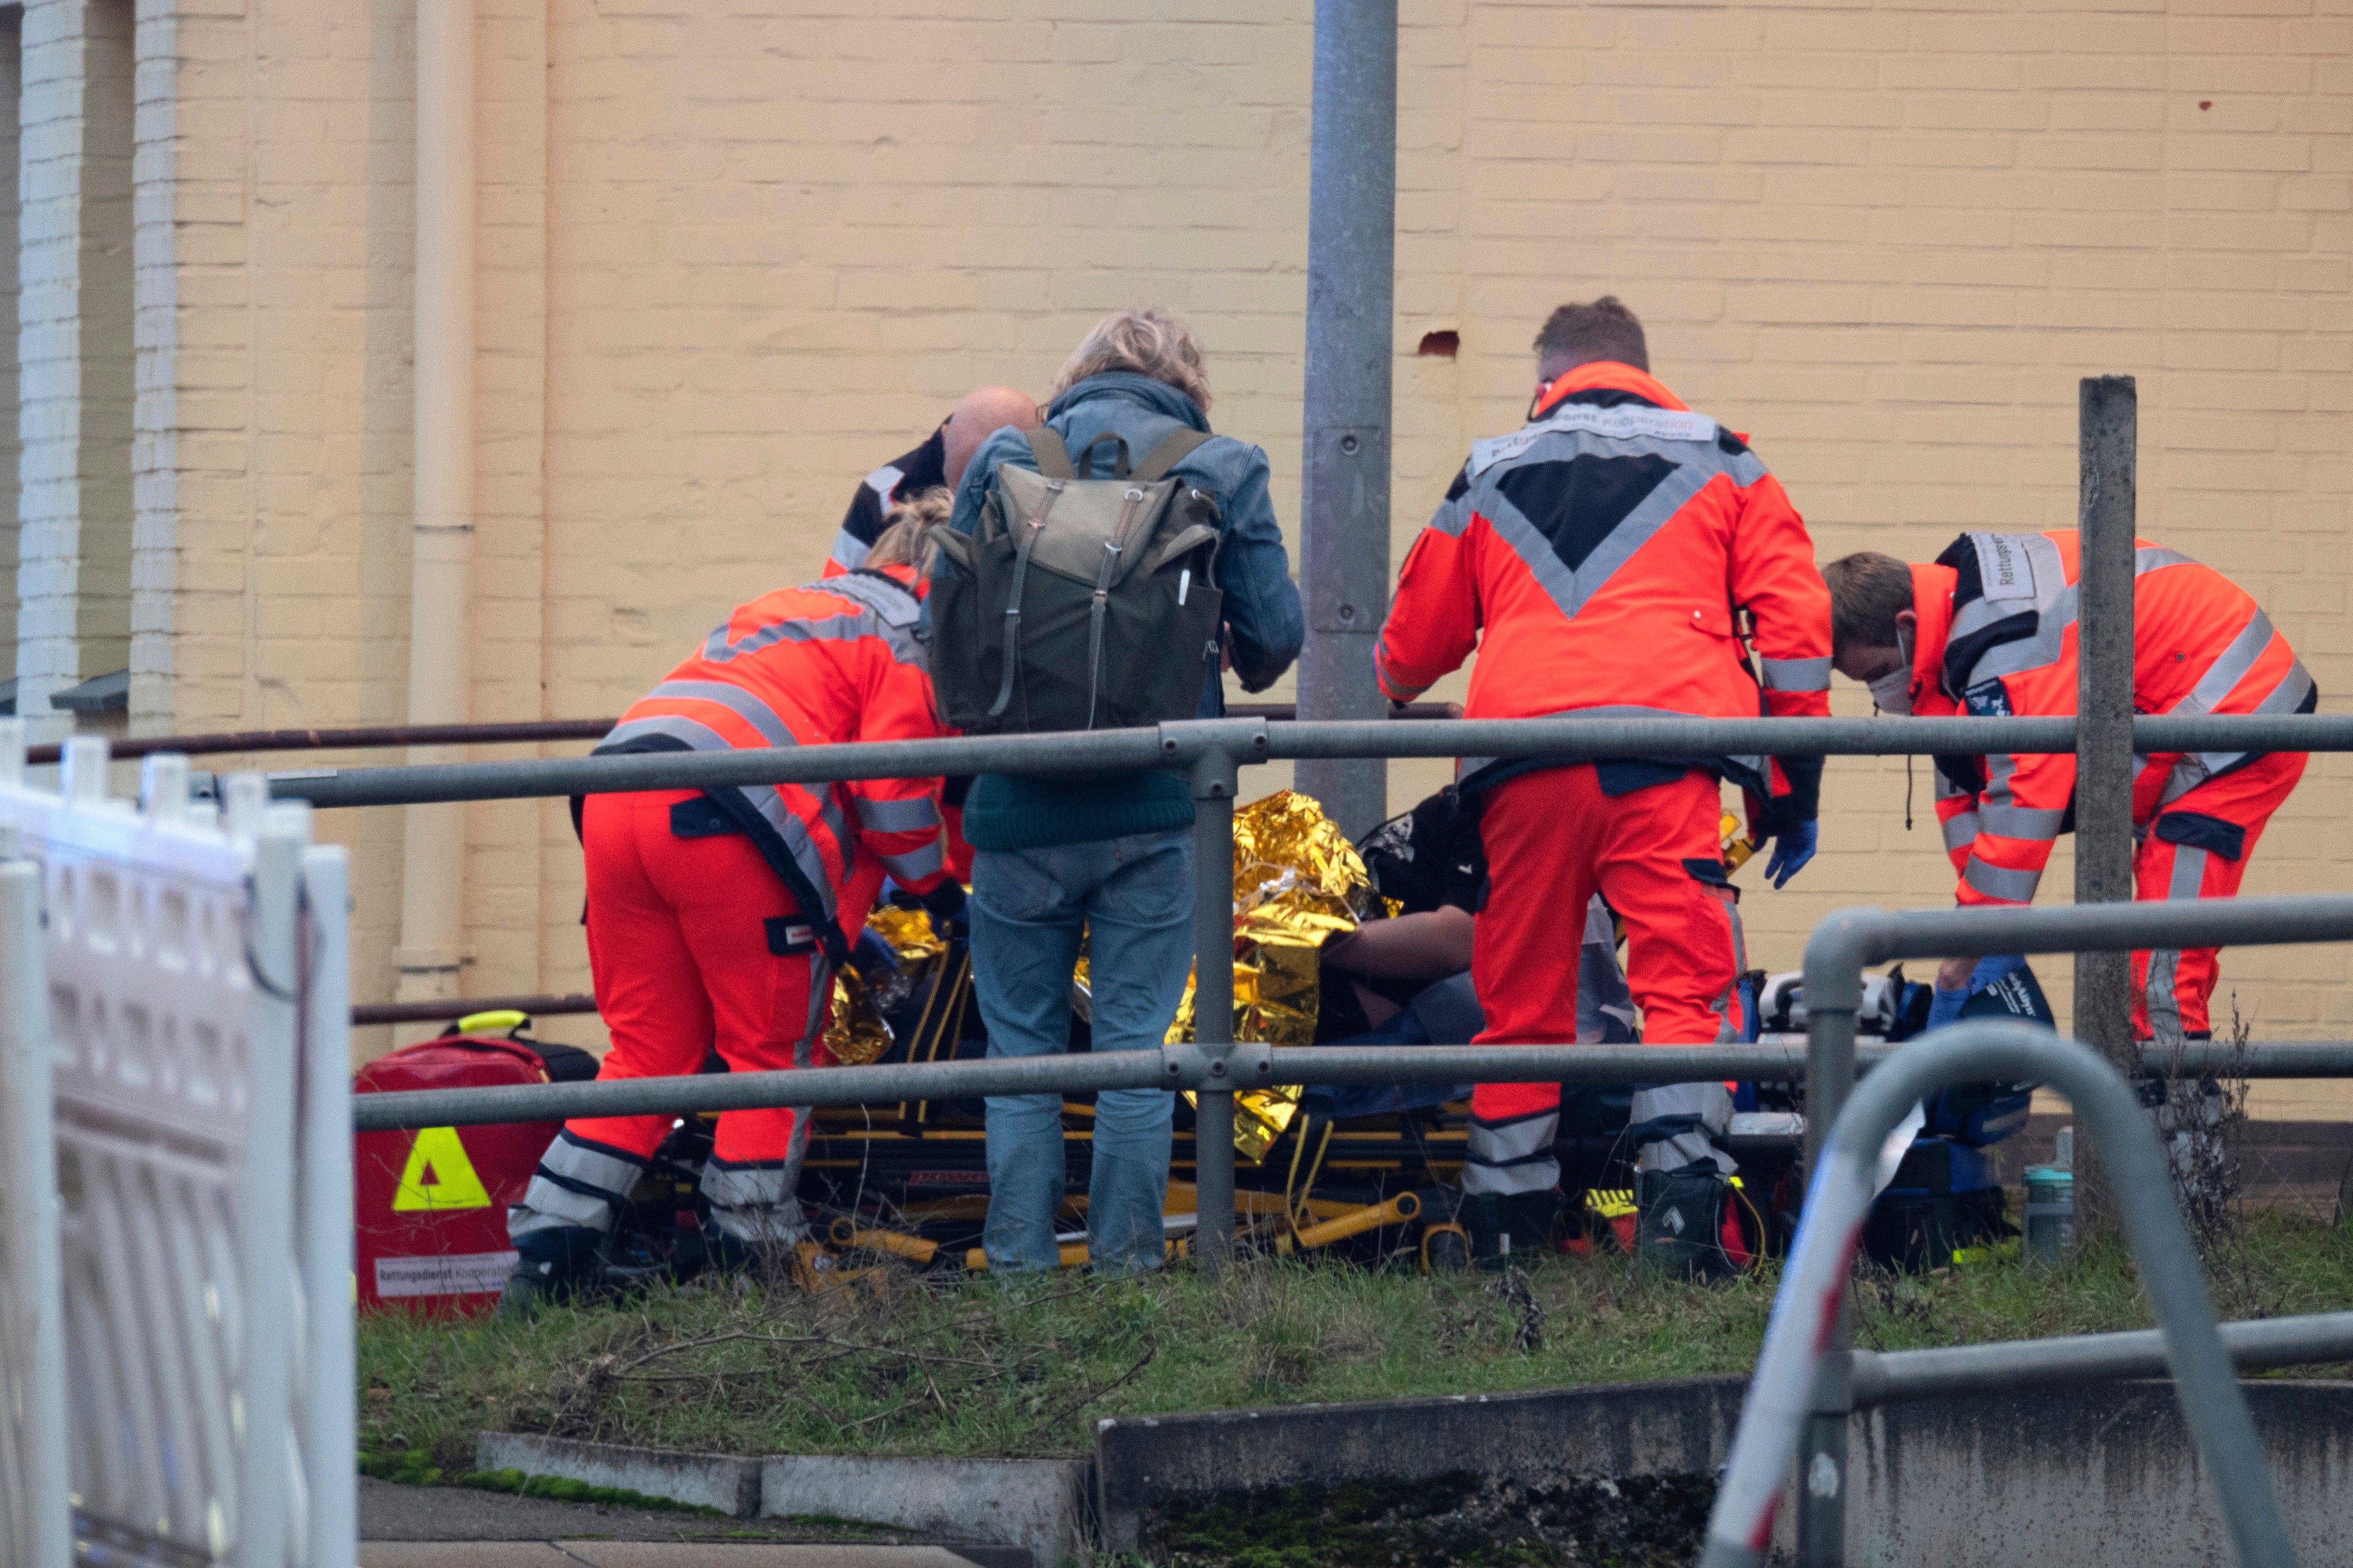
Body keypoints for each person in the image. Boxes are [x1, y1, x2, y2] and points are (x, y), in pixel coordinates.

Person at [1372, 295, 1832, 1272]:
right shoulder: (1726, 458)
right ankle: (1680, 1226)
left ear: (1549, 384)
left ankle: (1502, 1231)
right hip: (1662, 758)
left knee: (1521, 999)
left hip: (1518, 763)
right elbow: (1796, 632)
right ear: (1642, 368)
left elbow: (1404, 660)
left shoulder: (1490, 467)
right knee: (1682, 988)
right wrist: (1791, 785)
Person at [503, 493, 968, 1312]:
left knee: (645, 1056)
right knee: (770, 1056)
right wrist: (938, 892)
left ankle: (547, 1259)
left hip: (617, 797)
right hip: (730, 822)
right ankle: (752, 1259)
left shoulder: (791, 606)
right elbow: (892, 788)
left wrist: (843, 929)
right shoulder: (909, 634)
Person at [939, 308, 1304, 1273]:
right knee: (1139, 1053)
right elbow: (1276, 642)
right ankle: (1126, 1284)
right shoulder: (1220, 464)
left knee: (1021, 1059)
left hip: (1018, 804)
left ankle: (1020, 1282)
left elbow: (945, 619)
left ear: (1080, 372)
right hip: (1156, 805)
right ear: (1187, 379)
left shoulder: (1009, 452)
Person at [1823, 532, 2313, 1042]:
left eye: (1877, 673)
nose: (1879, 693)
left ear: (1905, 626)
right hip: (2189, 701)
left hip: (2239, 719)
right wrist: (1980, 935)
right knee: (2156, 938)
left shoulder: (2004, 647)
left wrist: (1971, 947)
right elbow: (1963, 785)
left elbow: (2022, 800)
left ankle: (2177, 1116)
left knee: (2161, 965)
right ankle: (2147, 1105)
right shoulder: (1960, 617)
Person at [829, 387, 1042, 575]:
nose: (968, 492)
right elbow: (839, 591)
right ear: (945, 437)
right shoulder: (882, 492)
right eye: (963, 468)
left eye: (988, 476)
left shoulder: (1048, 488)